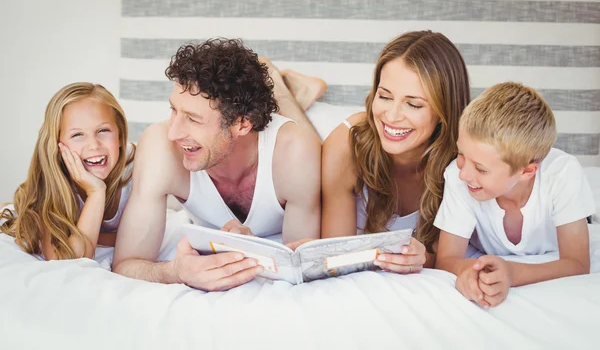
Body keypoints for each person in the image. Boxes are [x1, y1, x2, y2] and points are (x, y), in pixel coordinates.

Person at [112, 38, 321, 291]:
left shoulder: (295, 150)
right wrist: (175, 270)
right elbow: (125, 265)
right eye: (174, 110)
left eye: (193, 119)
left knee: (318, 144)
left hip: (283, 140)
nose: (174, 133)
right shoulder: (159, 145)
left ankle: (283, 91)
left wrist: (257, 250)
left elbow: (301, 265)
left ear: (243, 124)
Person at [266, 30, 472, 273]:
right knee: (307, 145)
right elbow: (335, 249)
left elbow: (444, 258)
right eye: (384, 96)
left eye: (413, 104)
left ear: (444, 111)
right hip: (342, 139)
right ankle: (283, 89)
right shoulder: (346, 144)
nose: (393, 116)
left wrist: (421, 258)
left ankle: (299, 91)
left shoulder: (463, 162)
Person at [434, 82, 593, 308]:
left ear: (527, 172)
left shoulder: (563, 173)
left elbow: (577, 264)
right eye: (461, 154)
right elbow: (447, 259)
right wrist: (469, 271)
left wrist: (511, 273)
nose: (464, 174)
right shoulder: (457, 177)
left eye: (481, 169)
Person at [0, 82, 134, 260]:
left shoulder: (136, 171)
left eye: (103, 130)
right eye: (77, 135)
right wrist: (96, 192)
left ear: (120, 136)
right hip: (31, 205)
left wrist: (94, 235)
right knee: (15, 212)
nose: (94, 145)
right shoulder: (51, 184)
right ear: (57, 144)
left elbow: (141, 236)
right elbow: (65, 260)